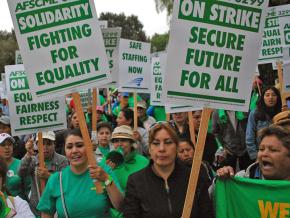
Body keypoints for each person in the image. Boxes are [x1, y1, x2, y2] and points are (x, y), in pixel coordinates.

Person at [122, 122, 214, 218]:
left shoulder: (194, 178)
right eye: (156, 143)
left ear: (177, 147)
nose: (162, 149)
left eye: (168, 142)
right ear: (149, 148)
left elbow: (206, 213)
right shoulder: (136, 181)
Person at [37, 128, 123, 218]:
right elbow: (46, 214)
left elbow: (120, 206)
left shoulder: (103, 171)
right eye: (69, 147)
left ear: (89, 146)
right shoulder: (56, 179)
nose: (74, 151)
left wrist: (106, 179)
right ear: (65, 150)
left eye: (79, 145)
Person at [19, 131, 69, 216]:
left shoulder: (62, 160)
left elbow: (66, 182)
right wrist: (28, 154)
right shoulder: (32, 159)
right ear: (37, 145)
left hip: (57, 205)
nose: (45, 147)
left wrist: (49, 176)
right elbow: (21, 173)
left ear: (54, 145)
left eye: (49, 144)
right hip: (36, 207)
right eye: (41, 144)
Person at [216, 125, 290, 180]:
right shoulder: (242, 179)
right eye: (261, 149)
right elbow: (214, 195)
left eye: (273, 150)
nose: (264, 154)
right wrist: (221, 180)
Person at [105, 125, 149, 192]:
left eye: (123, 140)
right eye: (116, 141)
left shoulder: (144, 162)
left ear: (131, 143)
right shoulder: (107, 162)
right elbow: (103, 188)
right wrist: (107, 174)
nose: (119, 144)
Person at [246, 87, 282, 162]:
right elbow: (249, 137)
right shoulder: (255, 113)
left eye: (273, 95)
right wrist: (255, 156)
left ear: (278, 97)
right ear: (263, 98)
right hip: (261, 155)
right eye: (267, 95)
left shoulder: (282, 113)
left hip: (279, 155)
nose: (270, 98)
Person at [0, 133, 30, 201]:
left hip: (20, 207)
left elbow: (28, 188)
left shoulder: (21, 164)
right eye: (3, 145)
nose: (7, 147)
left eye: (9, 144)